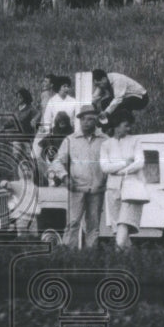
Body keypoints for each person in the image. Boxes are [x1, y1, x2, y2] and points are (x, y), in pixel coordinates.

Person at [49, 107, 108, 250]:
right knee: (73, 222)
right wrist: (64, 177)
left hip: (97, 188)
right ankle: (69, 255)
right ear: (80, 121)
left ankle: (90, 258)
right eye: (84, 119)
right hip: (76, 187)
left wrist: (106, 180)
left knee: (94, 224)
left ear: (96, 121)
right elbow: (57, 162)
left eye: (91, 119)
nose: (87, 123)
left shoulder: (105, 140)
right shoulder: (70, 140)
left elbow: (112, 161)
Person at [99, 112, 146, 251]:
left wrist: (123, 171)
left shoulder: (135, 141)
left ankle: (117, 252)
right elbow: (104, 167)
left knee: (124, 222)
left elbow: (140, 162)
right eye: (126, 125)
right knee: (116, 224)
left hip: (131, 186)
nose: (128, 129)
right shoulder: (106, 144)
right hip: (113, 188)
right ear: (116, 126)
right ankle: (127, 255)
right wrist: (124, 163)